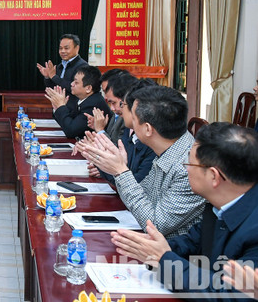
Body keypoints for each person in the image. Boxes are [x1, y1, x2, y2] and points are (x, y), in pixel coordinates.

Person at [110, 123, 258, 300]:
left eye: (189, 163)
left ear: (213, 176)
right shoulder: (218, 204)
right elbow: (192, 242)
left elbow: (226, 294)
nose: (185, 168)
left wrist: (164, 259)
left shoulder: (254, 231)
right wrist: (151, 247)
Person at [80, 85, 205, 238]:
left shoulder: (188, 167)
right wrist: (119, 169)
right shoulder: (169, 147)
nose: (129, 125)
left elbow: (155, 225)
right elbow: (144, 195)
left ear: (147, 129)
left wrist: (121, 172)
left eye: (133, 118)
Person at [83, 77, 157, 184]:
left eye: (122, 104)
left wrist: (108, 164)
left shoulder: (151, 142)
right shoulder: (132, 132)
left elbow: (136, 184)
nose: (117, 108)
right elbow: (122, 164)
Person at [44, 65, 111, 139]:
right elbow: (66, 122)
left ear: (88, 88)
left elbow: (71, 131)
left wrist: (61, 106)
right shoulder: (83, 99)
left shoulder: (93, 104)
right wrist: (57, 107)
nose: (71, 84)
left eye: (76, 82)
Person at [85, 72, 136, 147]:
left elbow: (120, 150)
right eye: (104, 91)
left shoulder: (128, 118)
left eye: (107, 90)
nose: (106, 96)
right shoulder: (117, 112)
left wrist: (100, 130)